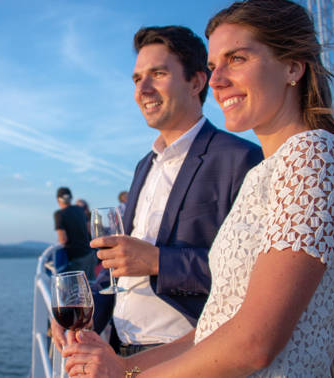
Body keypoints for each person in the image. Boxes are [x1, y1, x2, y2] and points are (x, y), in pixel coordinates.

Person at [62, 0, 334, 376]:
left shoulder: (312, 154)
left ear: (292, 66)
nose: (216, 80)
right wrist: (123, 367)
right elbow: (217, 325)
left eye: (238, 59)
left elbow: (255, 343)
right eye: (214, 66)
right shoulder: (266, 174)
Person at [52, 25, 263, 356]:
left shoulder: (240, 159)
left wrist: (157, 261)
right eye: (137, 79)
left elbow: (257, 277)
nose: (143, 89)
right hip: (122, 349)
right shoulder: (144, 166)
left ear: (196, 82)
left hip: (187, 353)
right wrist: (84, 308)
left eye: (158, 74)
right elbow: (119, 271)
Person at [53, 187, 95, 280]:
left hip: (77, 258)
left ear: (58, 200)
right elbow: (89, 229)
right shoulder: (79, 209)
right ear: (70, 198)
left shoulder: (59, 214)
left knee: (78, 290)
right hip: (90, 254)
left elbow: (63, 239)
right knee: (92, 285)